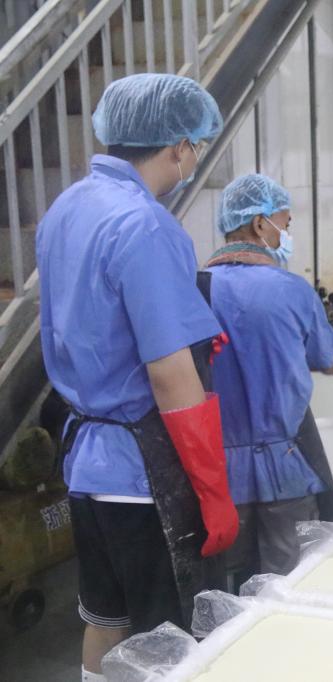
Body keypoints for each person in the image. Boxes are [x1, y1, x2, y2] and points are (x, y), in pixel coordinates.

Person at [35, 74, 238, 682]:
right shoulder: (146, 225)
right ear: (178, 146)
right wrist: (213, 489)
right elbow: (171, 376)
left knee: (105, 617)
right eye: (197, 145)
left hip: (85, 463)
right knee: (168, 638)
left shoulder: (66, 208)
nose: (194, 158)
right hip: (141, 474)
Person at [205, 174, 333, 587]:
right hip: (286, 471)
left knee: (227, 588)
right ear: (260, 223)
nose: (287, 233)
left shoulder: (195, 290)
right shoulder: (292, 291)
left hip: (219, 476)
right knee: (291, 584)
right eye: (286, 223)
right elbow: (328, 360)